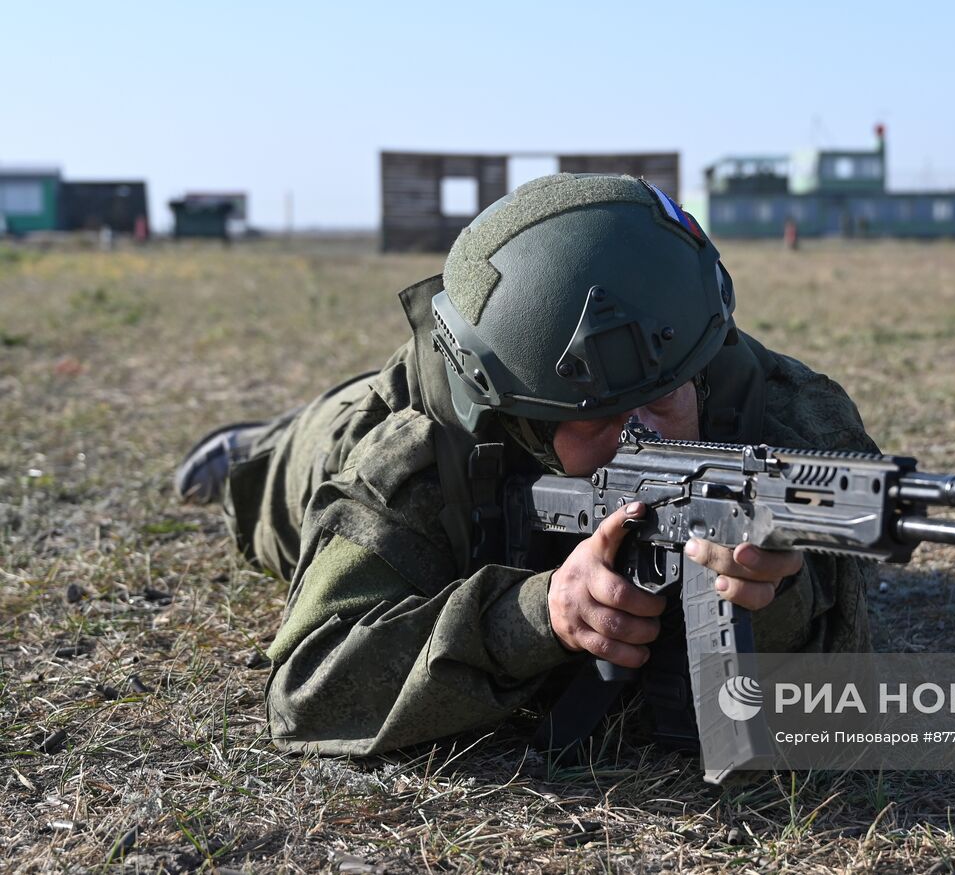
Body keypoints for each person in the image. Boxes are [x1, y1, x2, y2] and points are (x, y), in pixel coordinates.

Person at [176, 173, 878, 757]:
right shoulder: (414, 457)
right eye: (600, 421)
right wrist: (537, 612)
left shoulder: (792, 418)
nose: (640, 436)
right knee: (282, 465)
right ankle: (253, 444)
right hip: (320, 447)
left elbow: (844, 643)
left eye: (661, 401)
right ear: (526, 425)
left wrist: (776, 594)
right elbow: (310, 692)